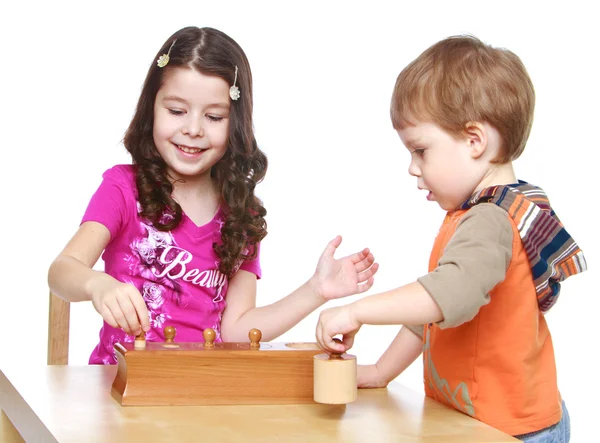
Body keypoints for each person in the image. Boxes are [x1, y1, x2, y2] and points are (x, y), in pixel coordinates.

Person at [48, 26, 378, 365]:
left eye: (214, 116)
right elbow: (61, 271)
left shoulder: (241, 216)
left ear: (235, 123)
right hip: (117, 391)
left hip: (200, 396)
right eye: (176, 111)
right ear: (152, 109)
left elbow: (236, 331)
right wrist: (97, 285)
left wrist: (316, 290)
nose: (193, 129)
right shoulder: (122, 189)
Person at [315, 35, 585, 442]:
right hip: (474, 423)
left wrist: (356, 312)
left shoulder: (491, 220)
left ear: (474, 141)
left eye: (421, 150)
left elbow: (440, 297)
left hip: (513, 430)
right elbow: (429, 319)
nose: (412, 167)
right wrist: (381, 372)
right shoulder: (469, 215)